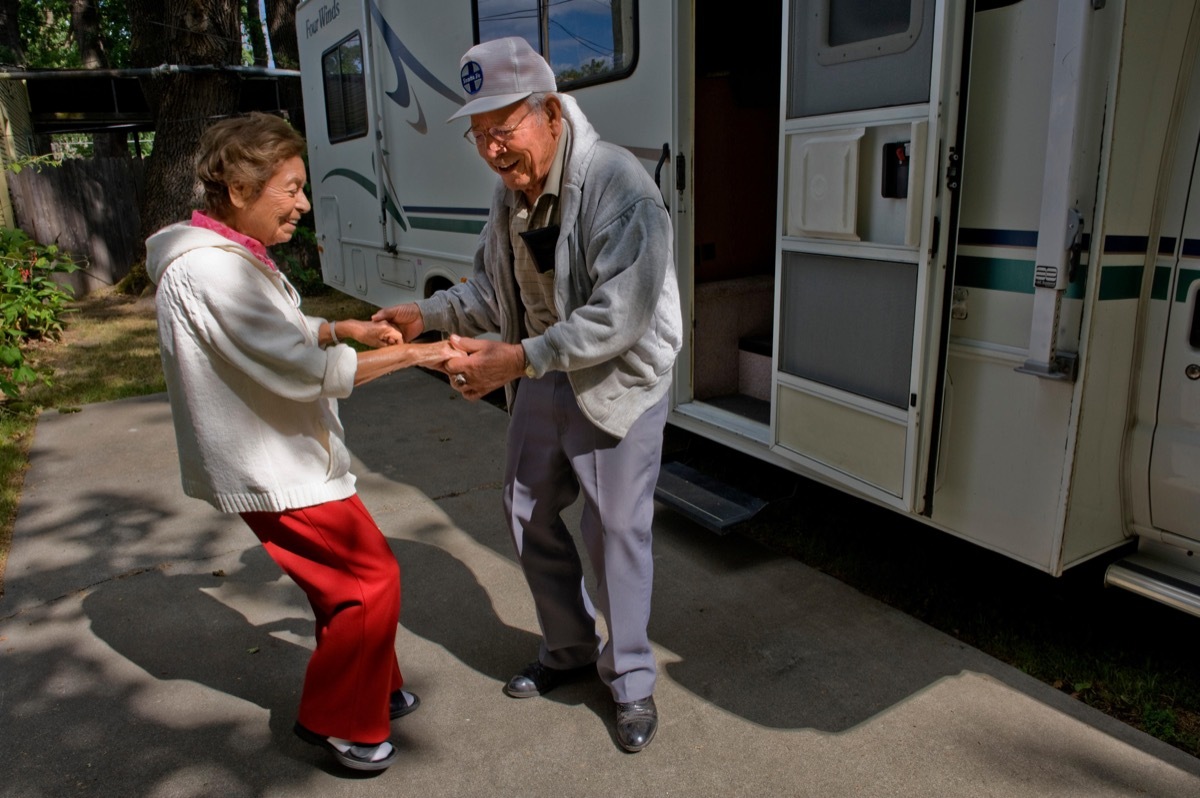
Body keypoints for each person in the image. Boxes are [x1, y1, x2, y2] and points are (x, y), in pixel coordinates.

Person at [372, 37, 682, 753]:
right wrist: (429, 314)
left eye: (501, 131)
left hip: (615, 380)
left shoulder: (617, 183)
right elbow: (491, 287)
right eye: (479, 136)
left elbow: (619, 316)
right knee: (525, 509)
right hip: (543, 370)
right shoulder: (510, 192)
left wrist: (517, 358)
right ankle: (571, 651)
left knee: (617, 535)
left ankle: (630, 682)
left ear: (547, 112)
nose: (490, 150)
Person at [145, 112, 456, 772]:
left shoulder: (227, 258)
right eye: (289, 188)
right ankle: (338, 722)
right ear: (236, 189)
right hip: (273, 465)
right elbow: (305, 368)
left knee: (342, 584)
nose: (303, 205)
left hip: (285, 456)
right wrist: (418, 358)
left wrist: (336, 324)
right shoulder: (210, 271)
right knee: (368, 581)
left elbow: (276, 330)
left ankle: (375, 686)